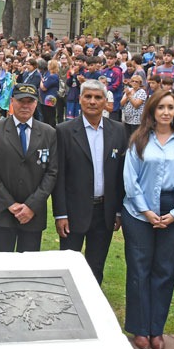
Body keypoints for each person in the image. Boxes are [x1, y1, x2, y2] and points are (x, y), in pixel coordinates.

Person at [122, 91, 174, 349]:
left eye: (171, 108)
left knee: (164, 271)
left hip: (173, 212)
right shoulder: (139, 141)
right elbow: (130, 180)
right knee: (139, 270)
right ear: (152, 111)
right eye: (161, 107)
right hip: (139, 213)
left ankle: (157, 329)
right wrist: (145, 211)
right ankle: (140, 328)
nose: (166, 112)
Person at [52, 80, 128, 284]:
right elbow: (58, 176)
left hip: (105, 212)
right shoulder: (64, 131)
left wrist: (118, 211)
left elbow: (121, 174)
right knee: (68, 265)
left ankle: (93, 308)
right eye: (88, 97)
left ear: (105, 102)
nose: (92, 101)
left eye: (98, 97)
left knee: (96, 265)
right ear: (80, 99)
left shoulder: (119, 131)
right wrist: (61, 213)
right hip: (73, 212)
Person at [0, 84, 58, 253]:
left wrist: (32, 205)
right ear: (12, 101)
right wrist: (10, 204)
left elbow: (51, 172)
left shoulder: (48, 133)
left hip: (33, 214)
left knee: (28, 271)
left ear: (36, 104)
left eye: (30, 101)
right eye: (21, 100)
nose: (25, 105)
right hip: (2, 211)